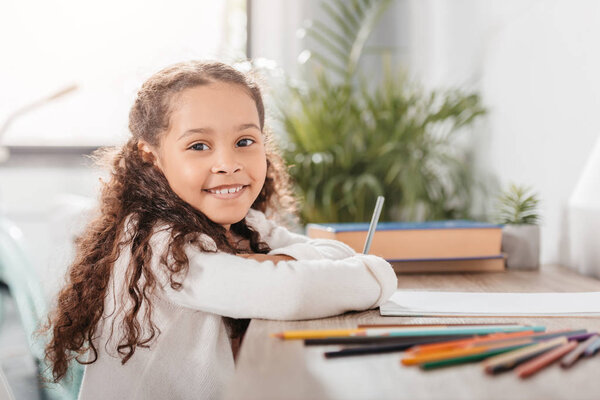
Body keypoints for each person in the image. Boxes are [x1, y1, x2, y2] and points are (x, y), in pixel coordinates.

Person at [42, 60, 397, 400]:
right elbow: (295, 290)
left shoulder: (244, 224)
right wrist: (376, 272)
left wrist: (277, 260)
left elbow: (335, 253)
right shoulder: (159, 244)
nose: (228, 164)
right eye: (199, 146)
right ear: (152, 156)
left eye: (244, 142)